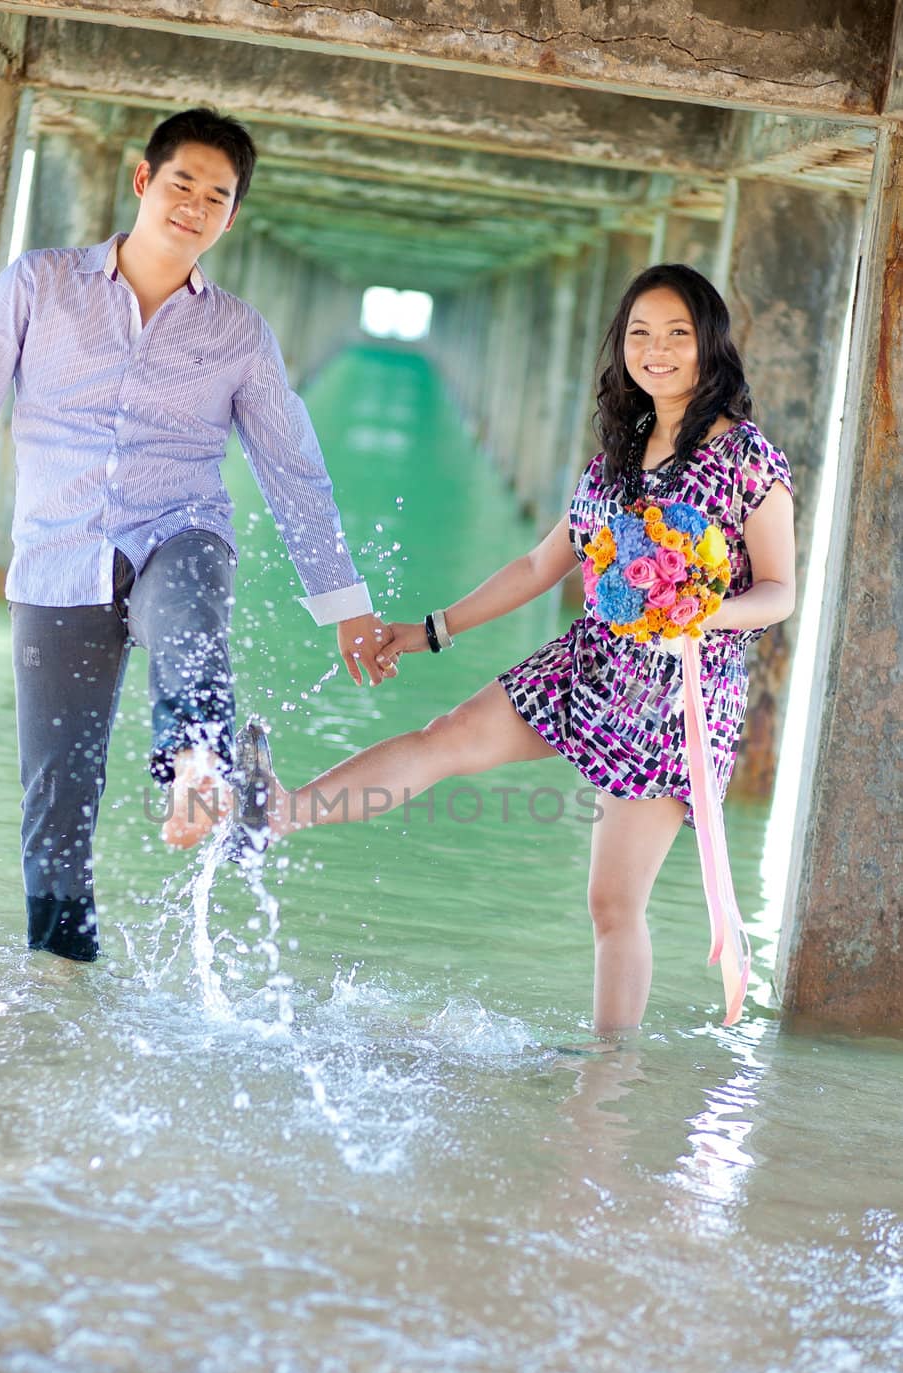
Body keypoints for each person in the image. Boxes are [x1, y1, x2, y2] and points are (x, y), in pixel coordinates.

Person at [0, 107, 392, 964]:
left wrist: (345, 603)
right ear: (144, 181)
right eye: (183, 184)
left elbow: (294, 472)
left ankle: (198, 770)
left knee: (191, 613)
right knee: (57, 794)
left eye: (217, 196)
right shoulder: (40, 285)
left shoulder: (239, 334)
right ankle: (61, 972)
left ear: (231, 216)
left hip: (182, 528)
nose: (195, 206)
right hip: (58, 557)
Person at [252, 264, 796, 1033]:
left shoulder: (747, 458)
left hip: (673, 699)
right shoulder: (615, 453)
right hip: (588, 662)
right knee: (444, 738)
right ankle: (279, 812)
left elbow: (779, 590)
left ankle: (606, 1082)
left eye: (677, 334)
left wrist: (700, 612)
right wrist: (429, 630)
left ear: (709, 344)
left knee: (612, 904)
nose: (657, 350)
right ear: (621, 348)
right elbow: (541, 566)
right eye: (639, 333)